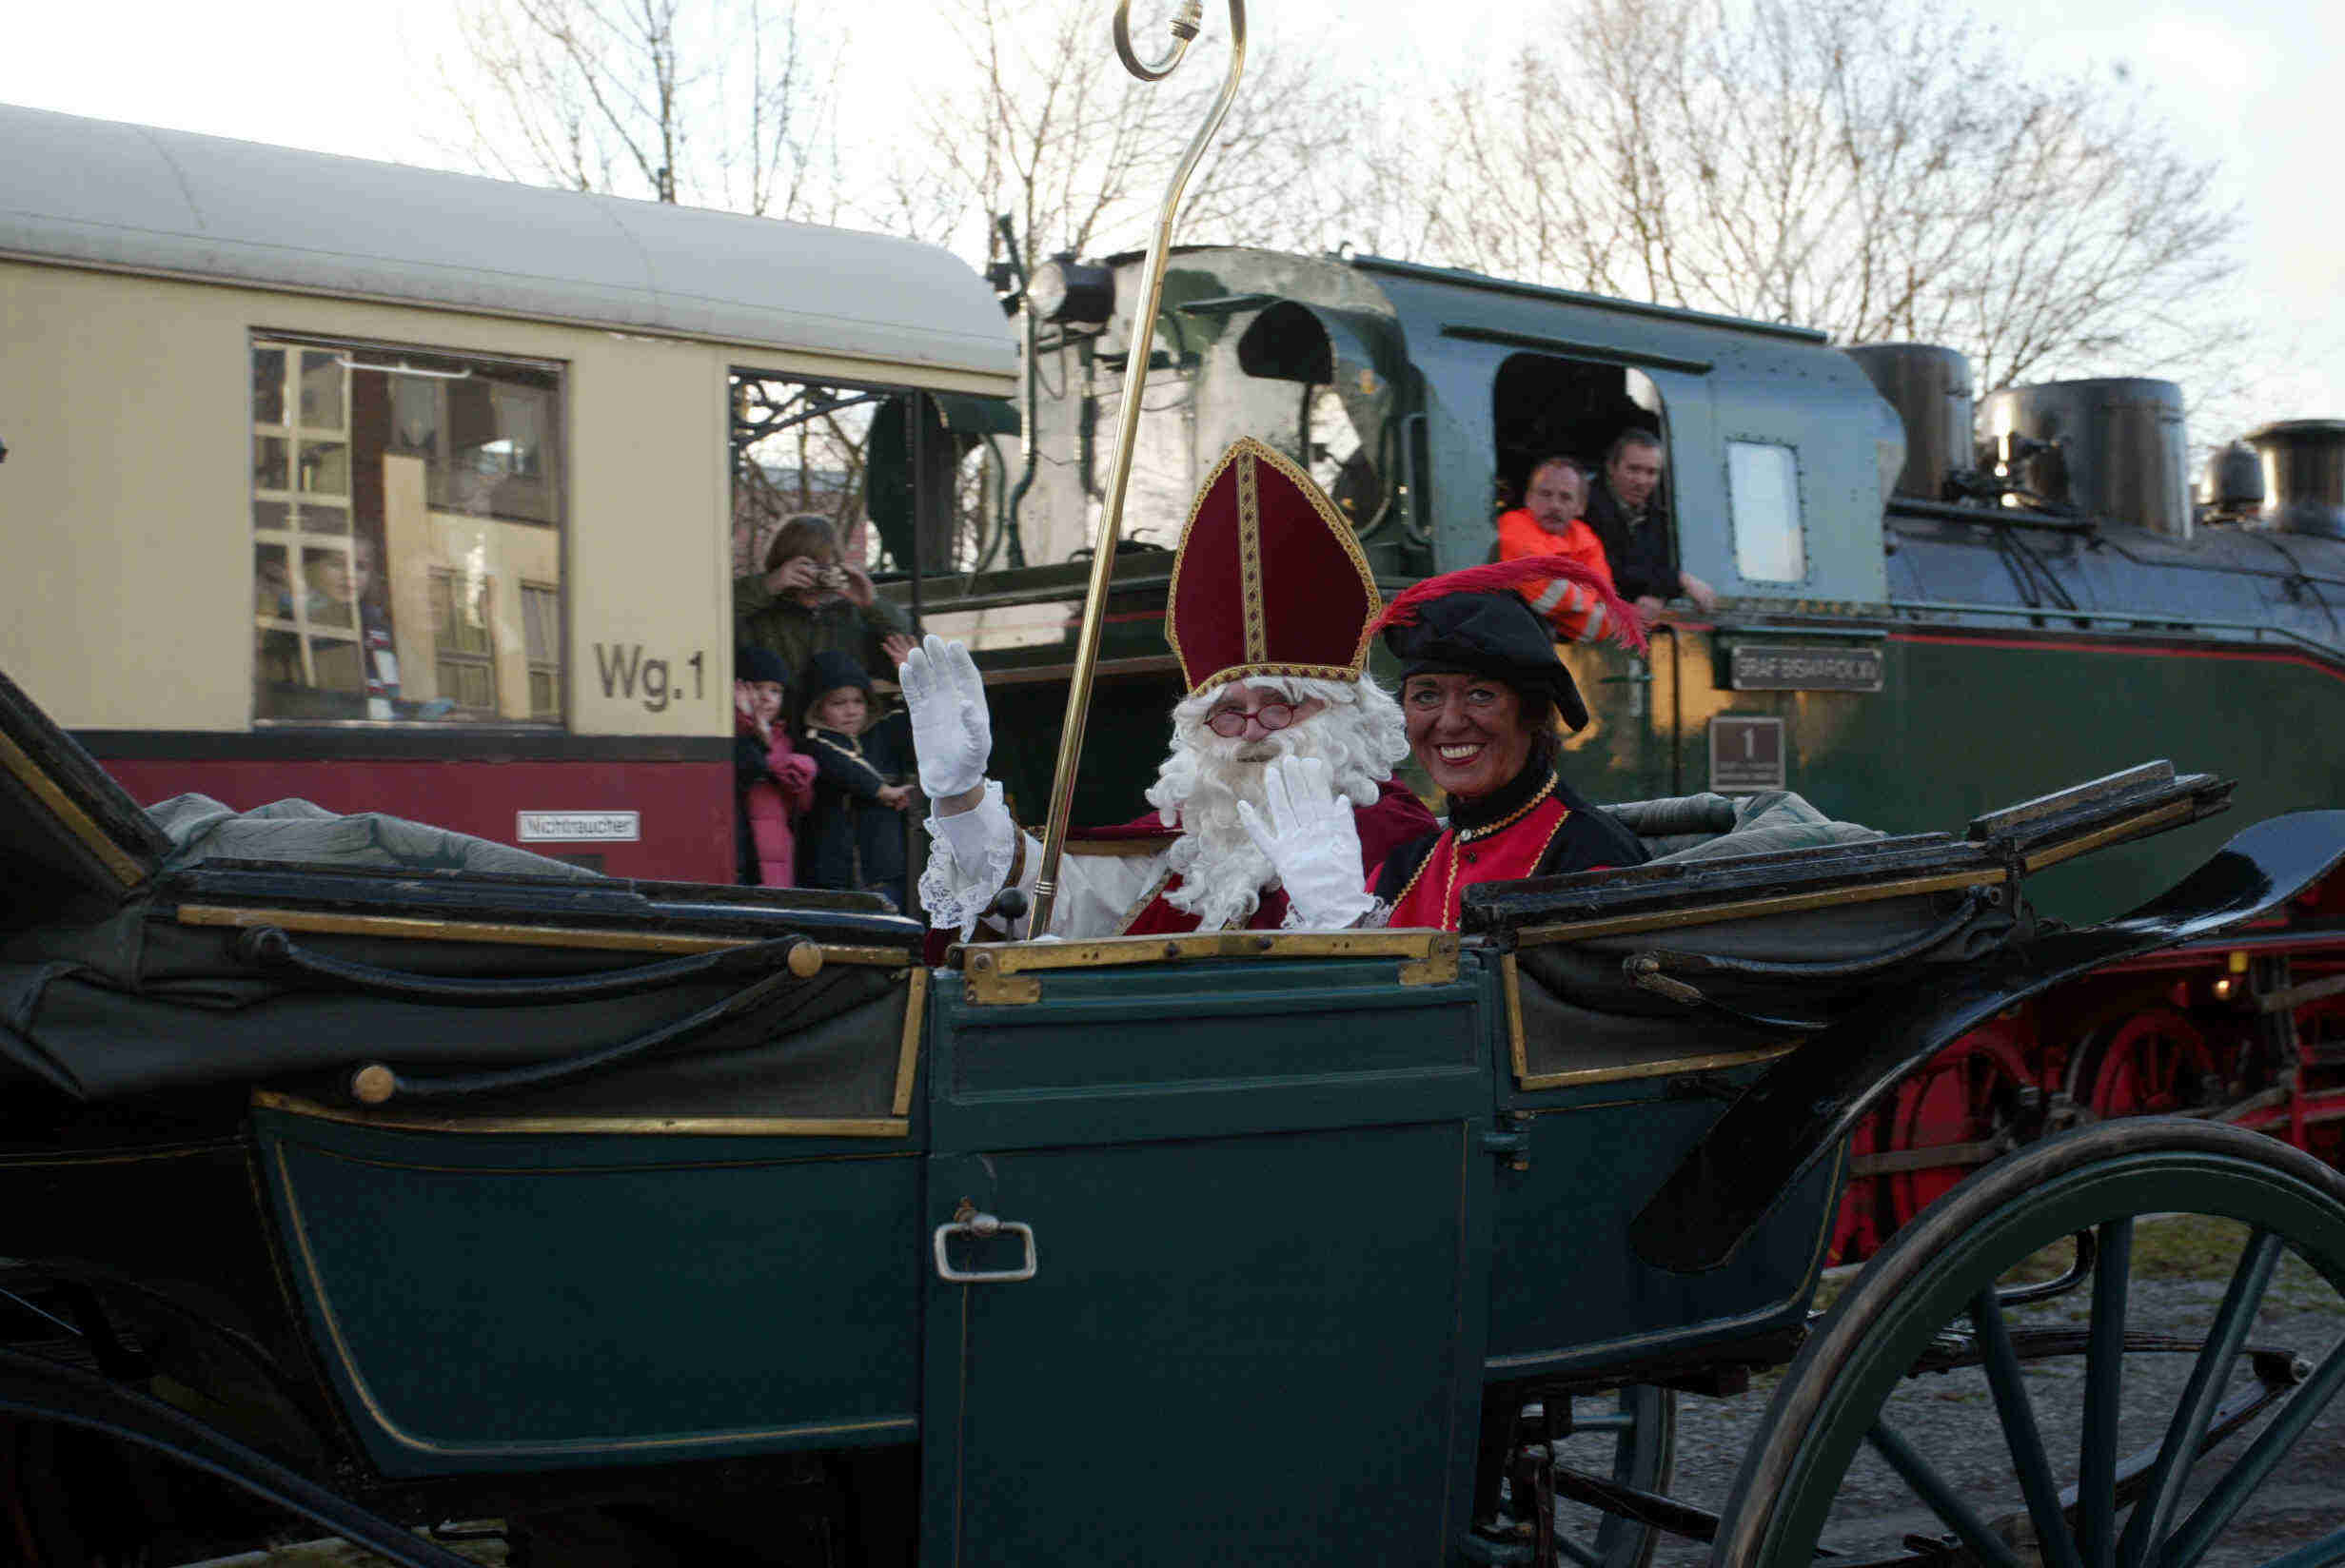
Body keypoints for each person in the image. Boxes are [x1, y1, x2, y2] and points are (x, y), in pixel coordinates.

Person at [904, 437, 1438, 940]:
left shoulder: (1406, 845)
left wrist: (1340, 916)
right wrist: (961, 794)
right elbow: (1046, 908)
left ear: (1347, 716)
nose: (1251, 733)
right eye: (1226, 713)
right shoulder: (1188, 848)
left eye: (1281, 706)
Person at [1236, 557, 1651, 932]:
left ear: (1530, 713)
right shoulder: (1403, 869)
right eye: (1426, 696)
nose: (1450, 722)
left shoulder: (1591, 855)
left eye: (1480, 695)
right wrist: (1339, 923)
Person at [735, 514, 916, 688]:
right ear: (782, 565)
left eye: (823, 568)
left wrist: (872, 604)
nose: (813, 579)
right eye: (804, 567)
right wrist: (767, 586)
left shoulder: (851, 616)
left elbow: (914, 656)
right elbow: (713, 625)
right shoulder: (758, 614)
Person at [798, 649, 917, 913]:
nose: (851, 711)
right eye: (838, 704)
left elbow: (920, 719)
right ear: (818, 708)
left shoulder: (882, 732)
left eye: (858, 702)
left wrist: (911, 679)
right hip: (838, 878)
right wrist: (881, 790)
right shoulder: (816, 741)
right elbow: (842, 765)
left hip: (888, 871)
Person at [1584, 430, 1717, 625]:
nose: (1641, 481)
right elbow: (1611, 569)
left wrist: (1658, 596)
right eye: (1633, 469)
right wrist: (1679, 580)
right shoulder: (1585, 506)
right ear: (1611, 468)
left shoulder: (1659, 516)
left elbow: (1656, 566)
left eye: (1651, 472)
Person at [1494, 457, 1626, 644]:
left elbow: (1609, 617)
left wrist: (1559, 613)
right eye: (1545, 494)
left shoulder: (1587, 540)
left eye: (1565, 497)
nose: (1554, 505)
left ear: (1580, 507)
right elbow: (1550, 592)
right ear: (1528, 499)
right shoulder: (1511, 527)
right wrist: (1588, 602)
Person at [733, 645, 817, 887]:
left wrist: (767, 740)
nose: (767, 697)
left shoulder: (783, 739)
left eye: (775, 691)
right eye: (757, 688)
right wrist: (751, 728)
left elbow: (803, 802)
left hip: (775, 849)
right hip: (741, 844)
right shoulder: (731, 736)